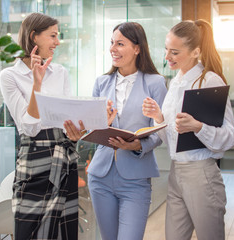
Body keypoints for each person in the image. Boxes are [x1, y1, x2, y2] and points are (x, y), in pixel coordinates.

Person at [142, 19, 234, 240]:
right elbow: (172, 139)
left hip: (201, 174)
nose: (167, 57)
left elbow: (231, 136)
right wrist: (158, 117)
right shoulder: (175, 83)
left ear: (195, 52)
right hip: (176, 173)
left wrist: (198, 127)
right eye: (167, 50)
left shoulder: (210, 81)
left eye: (174, 52)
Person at [0, 13, 85, 240]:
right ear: (33, 37)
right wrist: (37, 83)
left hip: (63, 155)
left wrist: (75, 133)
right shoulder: (9, 76)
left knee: (63, 232)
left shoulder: (61, 73)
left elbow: (66, 120)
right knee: (28, 231)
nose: (57, 42)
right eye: (53, 36)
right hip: (33, 158)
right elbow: (28, 128)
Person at [87, 22, 167, 240]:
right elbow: (91, 129)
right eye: (112, 43)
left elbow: (161, 129)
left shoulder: (155, 82)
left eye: (120, 43)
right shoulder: (101, 82)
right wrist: (102, 122)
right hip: (100, 176)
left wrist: (139, 144)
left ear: (137, 48)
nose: (113, 48)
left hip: (136, 178)